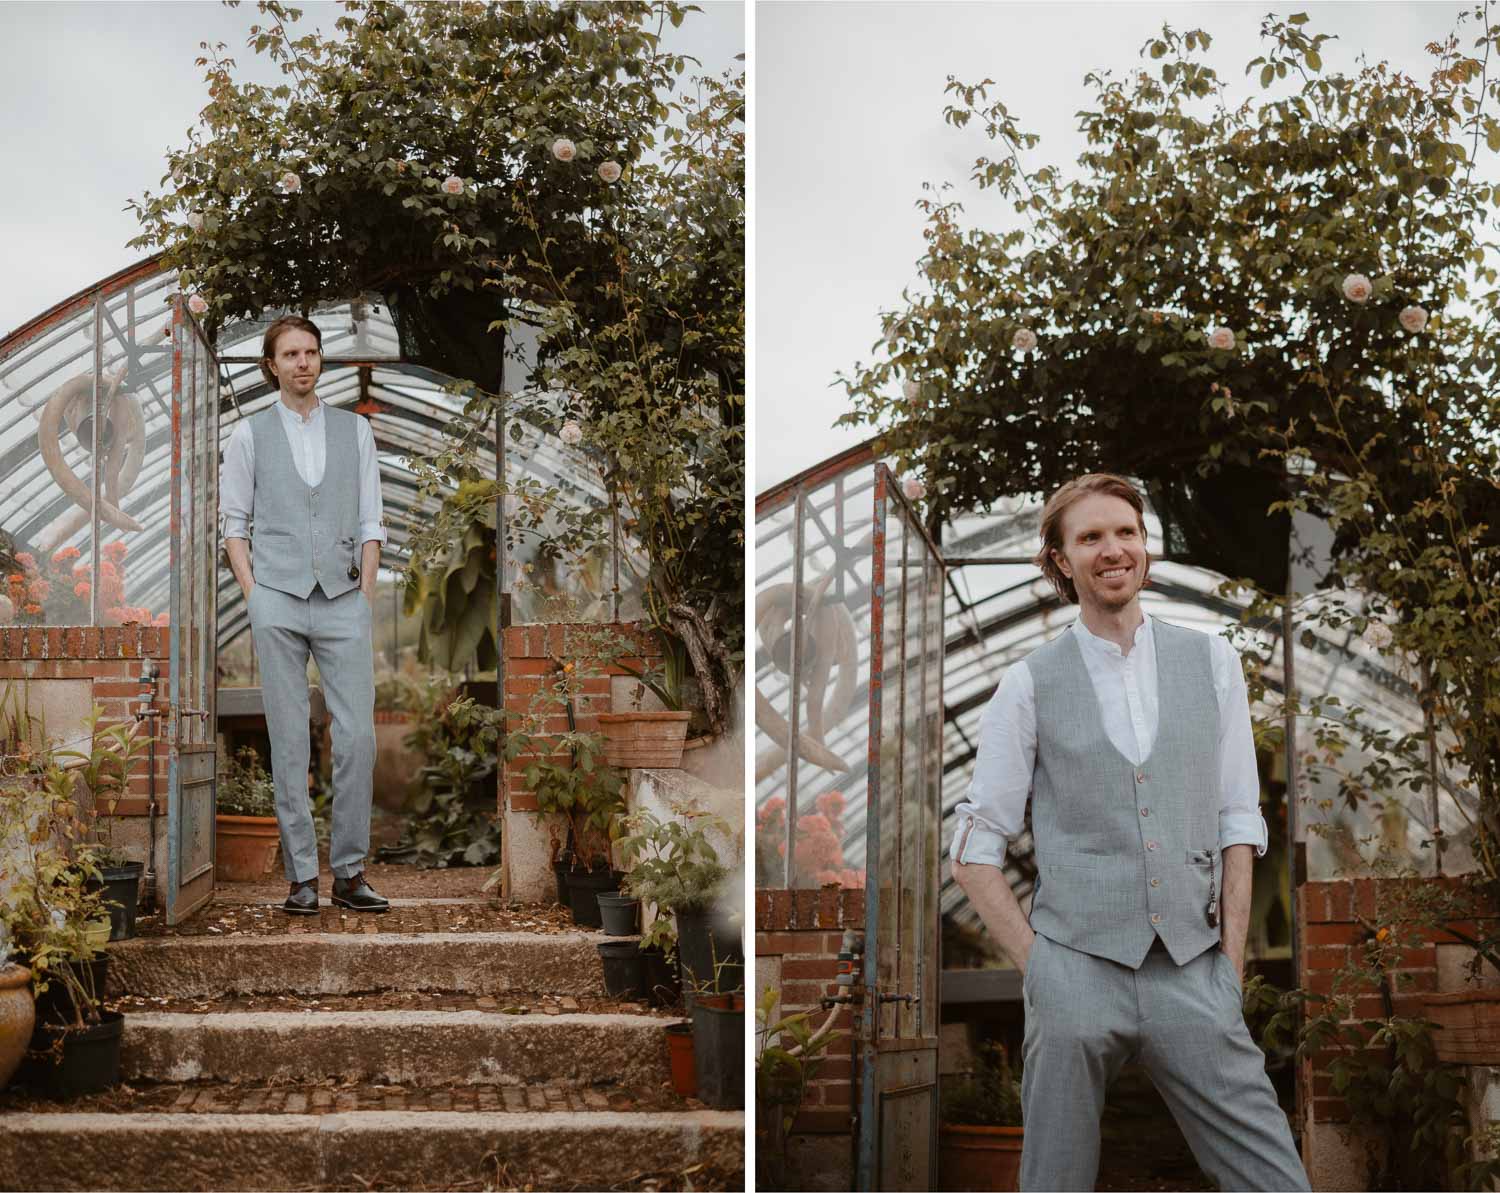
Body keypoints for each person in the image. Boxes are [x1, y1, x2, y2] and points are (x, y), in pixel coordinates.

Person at [950, 473, 1309, 1192]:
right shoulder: (1028, 682)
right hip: (1075, 968)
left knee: (1275, 1178)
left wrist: (1229, 966)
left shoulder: (1211, 662)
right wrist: (1043, 968)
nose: (1112, 549)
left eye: (1126, 532)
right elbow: (974, 846)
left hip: (1191, 965)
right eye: (1090, 537)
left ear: (1145, 546)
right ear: (1059, 559)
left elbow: (1239, 818)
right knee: (1055, 1180)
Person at [219, 314, 389, 915]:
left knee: (358, 739)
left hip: (344, 600)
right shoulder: (248, 436)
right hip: (278, 601)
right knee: (288, 740)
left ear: (320, 360)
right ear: (272, 364)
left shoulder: (354, 432)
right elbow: (233, 524)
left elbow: (371, 521)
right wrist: (253, 591)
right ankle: (302, 878)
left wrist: (366, 594)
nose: (303, 362)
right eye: (290, 354)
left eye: (311, 352)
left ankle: (349, 872)